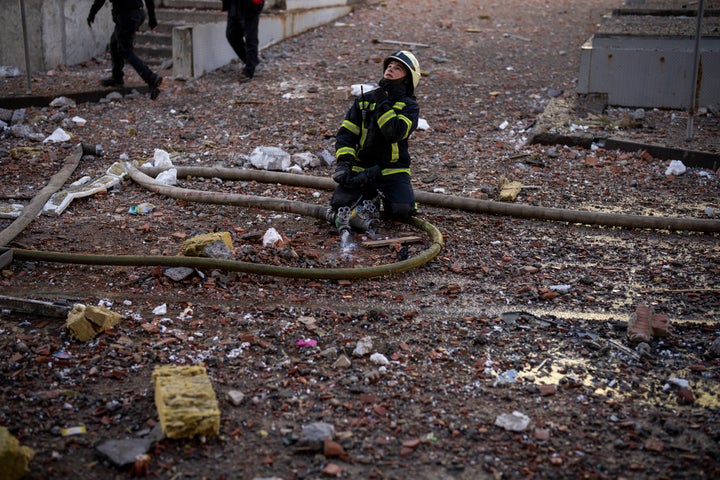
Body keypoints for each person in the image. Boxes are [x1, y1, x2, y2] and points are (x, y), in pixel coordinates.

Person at [330, 50, 421, 234]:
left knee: (401, 210)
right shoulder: (364, 101)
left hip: (393, 169)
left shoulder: (409, 106)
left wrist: (383, 104)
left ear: (408, 78)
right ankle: (369, 196)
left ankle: (383, 197)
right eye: (389, 66)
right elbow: (346, 135)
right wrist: (345, 163)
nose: (390, 70)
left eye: (397, 68)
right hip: (362, 168)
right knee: (339, 204)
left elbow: (394, 132)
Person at [87, 0, 163, 100]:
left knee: (125, 51)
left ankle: (151, 78)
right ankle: (117, 77)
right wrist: (152, 18)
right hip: (136, 13)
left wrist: (92, 13)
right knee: (114, 43)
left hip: (127, 16)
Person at [222, 0, 265, 83]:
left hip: (250, 5)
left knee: (250, 38)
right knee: (232, 35)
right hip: (234, 4)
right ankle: (251, 62)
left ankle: (249, 71)